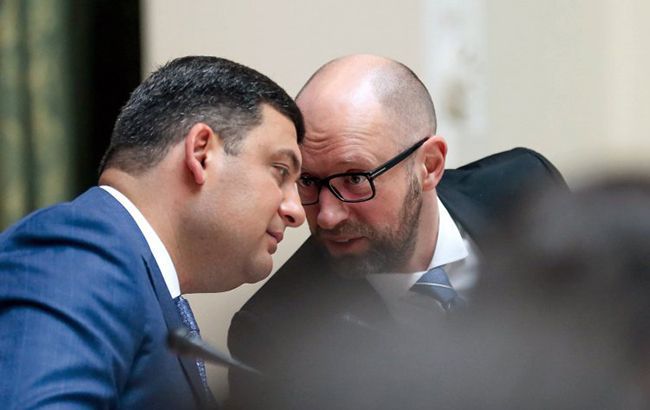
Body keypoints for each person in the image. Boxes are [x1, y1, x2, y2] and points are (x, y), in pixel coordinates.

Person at [226, 54, 567, 409]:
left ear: (429, 165)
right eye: (308, 181)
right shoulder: (276, 334)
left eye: (355, 178)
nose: (326, 216)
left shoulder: (526, 192)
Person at [0, 56, 305, 409]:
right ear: (201, 153)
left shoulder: (136, 274)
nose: (296, 211)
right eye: (280, 171)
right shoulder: (78, 253)